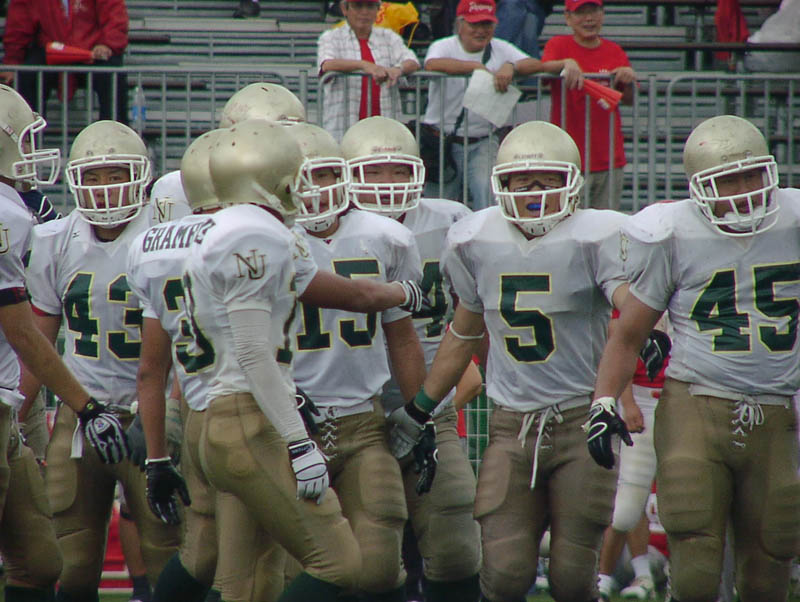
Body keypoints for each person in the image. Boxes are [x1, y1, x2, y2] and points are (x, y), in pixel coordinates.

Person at [389, 120, 631, 601]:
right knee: (503, 573)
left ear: (572, 183)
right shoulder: (476, 240)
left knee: (571, 577)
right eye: (523, 182)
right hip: (511, 424)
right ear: (502, 185)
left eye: (547, 180)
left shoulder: (597, 235)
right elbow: (464, 333)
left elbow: (630, 301)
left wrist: (646, 326)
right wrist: (421, 407)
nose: (535, 192)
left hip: (581, 417)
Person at [589, 114, 800, 602]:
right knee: (696, 561)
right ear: (700, 187)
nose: (743, 192)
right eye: (728, 180)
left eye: (751, 175)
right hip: (696, 400)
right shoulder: (674, 232)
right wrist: (604, 401)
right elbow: (628, 333)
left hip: (775, 407)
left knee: (771, 563)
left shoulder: (791, 222)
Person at [20, 120, 181, 601]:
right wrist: (17, 414)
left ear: (141, 176)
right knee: (70, 564)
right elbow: (38, 344)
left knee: (168, 553)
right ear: (76, 181)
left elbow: (186, 341)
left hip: (149, 414)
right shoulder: (54, 240)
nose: (105, 187)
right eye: (94, 176)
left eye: (116, 174)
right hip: (81, 413)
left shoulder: (165, 236)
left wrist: (172, 410)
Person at [342, 115, 483, 602]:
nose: (387, 183)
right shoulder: (321, 229)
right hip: (349, 409)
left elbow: (474, 310)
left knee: (456, 539)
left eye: (398, 170)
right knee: (369, 557)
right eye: (373, 171)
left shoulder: (453, 222)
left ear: (418, 173)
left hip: (427, 399)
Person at [0, 84, 129, 602]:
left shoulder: (20, 210)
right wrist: (85, 406)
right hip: (21, 398)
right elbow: (25, 332)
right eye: (24, 139)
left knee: (41, 560)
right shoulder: (15, 217)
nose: (31, 153)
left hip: (11, 402)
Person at [290, 120, 427, 601]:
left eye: (325, 175)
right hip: (288, 425)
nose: (315, 190)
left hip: (363, 420)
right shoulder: (263, 238)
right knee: (292, 566)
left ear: (342, 175)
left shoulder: (387, 236)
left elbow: (402, 338)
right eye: (302, 178)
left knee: (378, 567)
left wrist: (420, 413)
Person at [421, 0, 581, 210]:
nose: (481, 30)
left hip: (482, 141)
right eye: (474, 24)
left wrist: (512, 66)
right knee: (438, 207)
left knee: (489, 200)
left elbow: (535, 64)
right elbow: (432, 64)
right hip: (441, 142)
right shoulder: (444, 45)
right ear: (460, 25)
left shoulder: (500, 47)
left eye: (486, 24)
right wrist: (475, 67)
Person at [597, 314, 670, 601]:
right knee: (627, 503)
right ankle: (604, 577)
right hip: (642, 399)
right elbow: (620, 352)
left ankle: (668, 577)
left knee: (687, 495)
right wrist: (627, 403)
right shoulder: (631, 305)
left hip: (681, 397)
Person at [541, 0, 636, 210]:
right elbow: (542, 71)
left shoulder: (614, 50)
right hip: (568, 158)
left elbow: (629, 99)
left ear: (603, 15)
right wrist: (564, 63)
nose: (589, 19)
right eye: (581, 13)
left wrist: (627, 79)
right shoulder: (558, 45)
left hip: (609, 157)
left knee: (606, 224)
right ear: (568, 18)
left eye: (593, 12)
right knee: (567, 221)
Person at [0, 0, 130, 123]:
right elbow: (19, 24)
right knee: (27, 76)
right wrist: (12, 61)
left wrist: (107, 45)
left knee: (113, 77)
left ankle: (114, 135)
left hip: (91, 51)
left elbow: (115, 16)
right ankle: (28, 135)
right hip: (50, 49)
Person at [317, 0, 420, 141]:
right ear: (345, 9)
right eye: (358, 6)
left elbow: (412, 61)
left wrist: (398, 69)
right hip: (344, 130)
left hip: (385, 133)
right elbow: (327, 64)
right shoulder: (331, 38)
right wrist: (365, 65)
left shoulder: (389, 37)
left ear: (378, 10)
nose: (364, 12)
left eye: (370, 6)